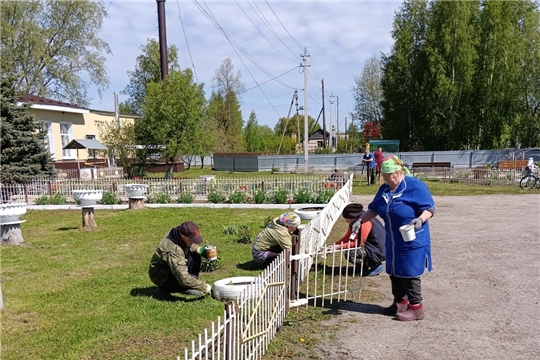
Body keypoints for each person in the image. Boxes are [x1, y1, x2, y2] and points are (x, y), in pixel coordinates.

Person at [353, 155, 435, 321]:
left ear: (398, 173)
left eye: (388, 176)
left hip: (411, 237)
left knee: (410, 272)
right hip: (393, 239)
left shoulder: (415, 186)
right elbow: (374, 209)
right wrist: (360, 221)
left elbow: (430, 208)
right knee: (394, 271)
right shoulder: (384, 189)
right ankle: (400, 303)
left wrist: (420, 219)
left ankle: (416, 308)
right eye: (383, 176)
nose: (385, 179)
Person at [149, 221, 213, 301]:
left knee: (195, 255)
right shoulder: (174, 250)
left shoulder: (178, 234)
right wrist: (205, 287)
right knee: (183, 279)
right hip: (160, 275)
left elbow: (189, 244)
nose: (193, 242)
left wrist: (198, 249)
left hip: (170, 267)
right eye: (192, 239)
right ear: (183, 236)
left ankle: (185, 287)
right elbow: (183, 278)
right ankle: (162, 291)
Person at [333, 203, 386, 276]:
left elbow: (359, 244)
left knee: (351, 254)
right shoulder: (355, 221)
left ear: (352, 217)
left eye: (347, 219)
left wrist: (338, 247)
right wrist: (334, 245)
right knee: (352, 251)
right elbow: (347, 237)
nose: (346, 221)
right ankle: (362, 267)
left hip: (378, 250)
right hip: (370, 246)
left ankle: (376, 265)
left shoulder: (365, 222)